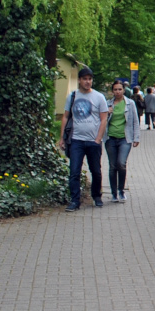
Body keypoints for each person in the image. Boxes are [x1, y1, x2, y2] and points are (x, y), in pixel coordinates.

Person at [60, 66, 109, 211]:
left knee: (96, 170)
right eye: (85, 79)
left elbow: (104, 118)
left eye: (90, 79)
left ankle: (96, 196)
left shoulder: (99, 97)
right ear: (80, 80)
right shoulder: (73, 96)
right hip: (76, 140)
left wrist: (98, 139)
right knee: (74, 171)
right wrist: (62, 137)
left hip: (93, 140)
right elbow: (66, 116)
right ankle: (75, 201)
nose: (87, 82)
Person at [104, 80, 140, 202]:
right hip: (111, 139)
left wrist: (136, 138)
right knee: (113, 166)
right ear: (112, 91)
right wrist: (107, 114)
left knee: (121, 164)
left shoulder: (130, 103)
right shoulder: (108, 104)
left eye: (120, 89)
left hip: (125, 138)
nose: (118, 91)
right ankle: (114, 193)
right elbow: (101, 121)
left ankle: (121, 190)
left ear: (123, 90)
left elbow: (135, 121)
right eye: (115, 89)